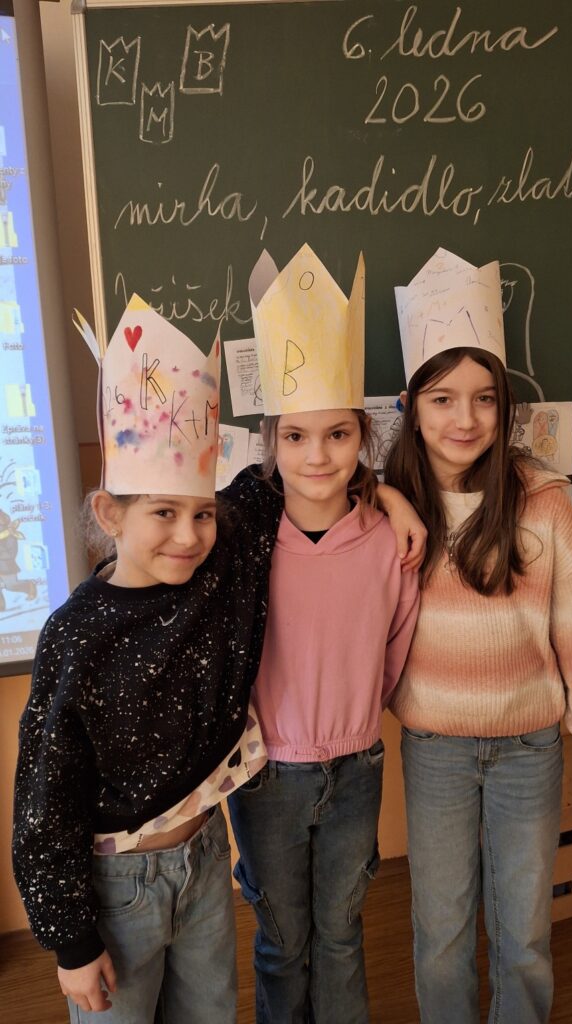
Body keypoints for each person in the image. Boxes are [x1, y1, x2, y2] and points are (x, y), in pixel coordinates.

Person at [12, 297, 283, 1023]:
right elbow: (46, 796)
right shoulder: (76, 635)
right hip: (118, 886)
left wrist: (388, 496)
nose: (189, 536)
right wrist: (71, 941)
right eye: (163, 512)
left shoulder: (220, 566)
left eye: (202, 513)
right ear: (110, 514)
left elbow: (279, 484)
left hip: (205, 858)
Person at [384, 248, 572, 1024]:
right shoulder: (388, 509)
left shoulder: (543, 504)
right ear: (410, 406)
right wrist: (381, 495)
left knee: (522, 935)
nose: (465, 419)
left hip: (528, 747)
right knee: (441, 933)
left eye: (484, 398)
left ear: (504, 406)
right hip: (435, 751)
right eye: (442, 398)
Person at [228, 245, 421, 1024]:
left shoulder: (387, 540)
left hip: (357, 764)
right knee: (283, 941)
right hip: (265, 773)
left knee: (340, 935)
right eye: (296, 437)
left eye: (337, 435)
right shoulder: (241, 536)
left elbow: (395, 645)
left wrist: (357, 712)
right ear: (271, 441)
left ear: (362, 437)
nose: (317, 455)